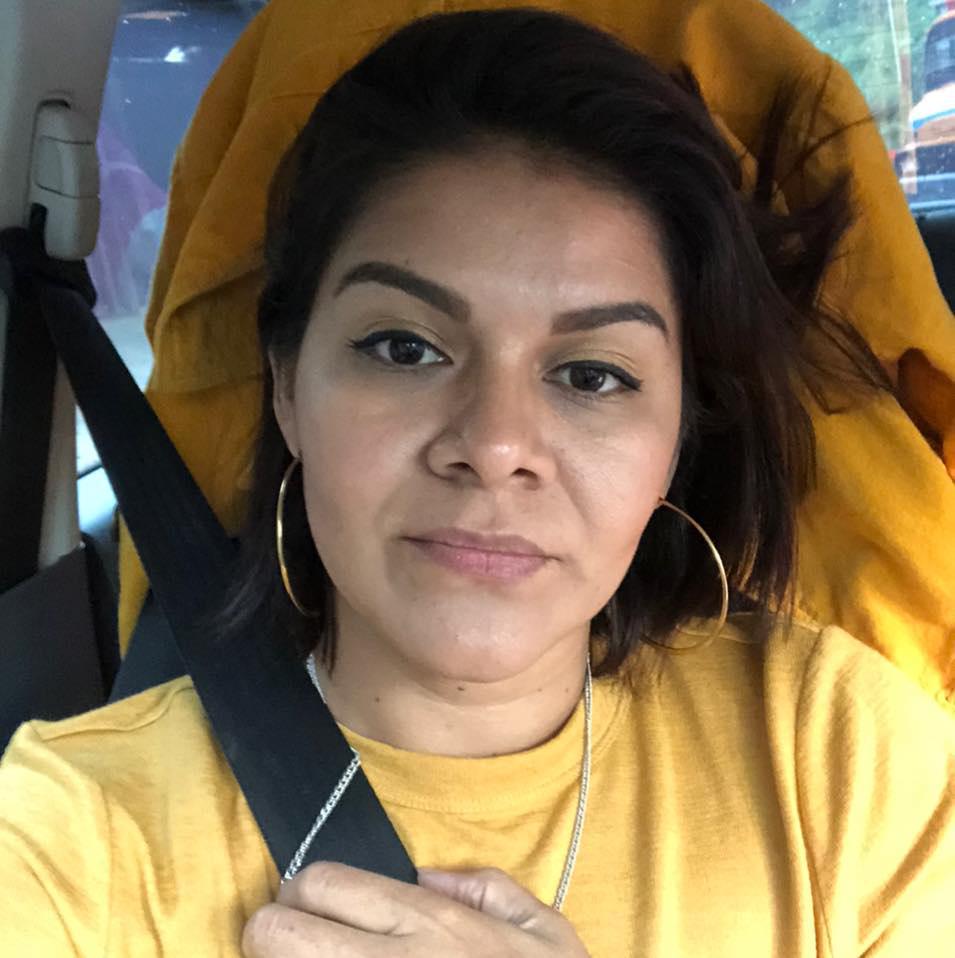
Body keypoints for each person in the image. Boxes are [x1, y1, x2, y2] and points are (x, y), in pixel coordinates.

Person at [1, 8, 953, 957]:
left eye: (592, 375)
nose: (495, 446)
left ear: (675, 439)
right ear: (286, 386)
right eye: (404, 348)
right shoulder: (72, 834)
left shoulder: (843, 757)